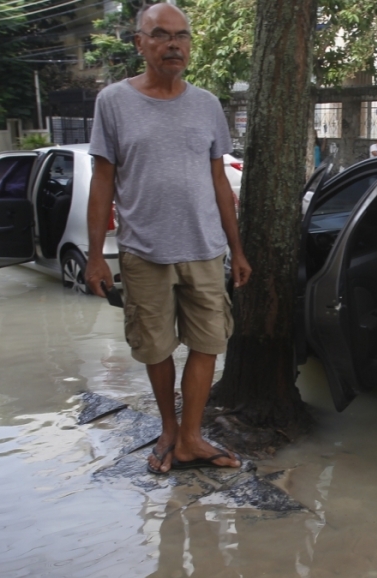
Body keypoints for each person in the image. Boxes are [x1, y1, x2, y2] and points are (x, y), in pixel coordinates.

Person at [84, 2, 251, 474]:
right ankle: (169, 431)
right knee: (155, 348)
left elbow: (220, 180)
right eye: (160, 34)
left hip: (204, 247)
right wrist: (97, 256)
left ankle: (192, 437)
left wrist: (236, 249)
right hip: (143, 250)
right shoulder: (113, 102)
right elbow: (102, 182)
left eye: (182, 36)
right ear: (140, 43)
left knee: (208, 342)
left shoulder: (207, 105)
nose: (174, 44)